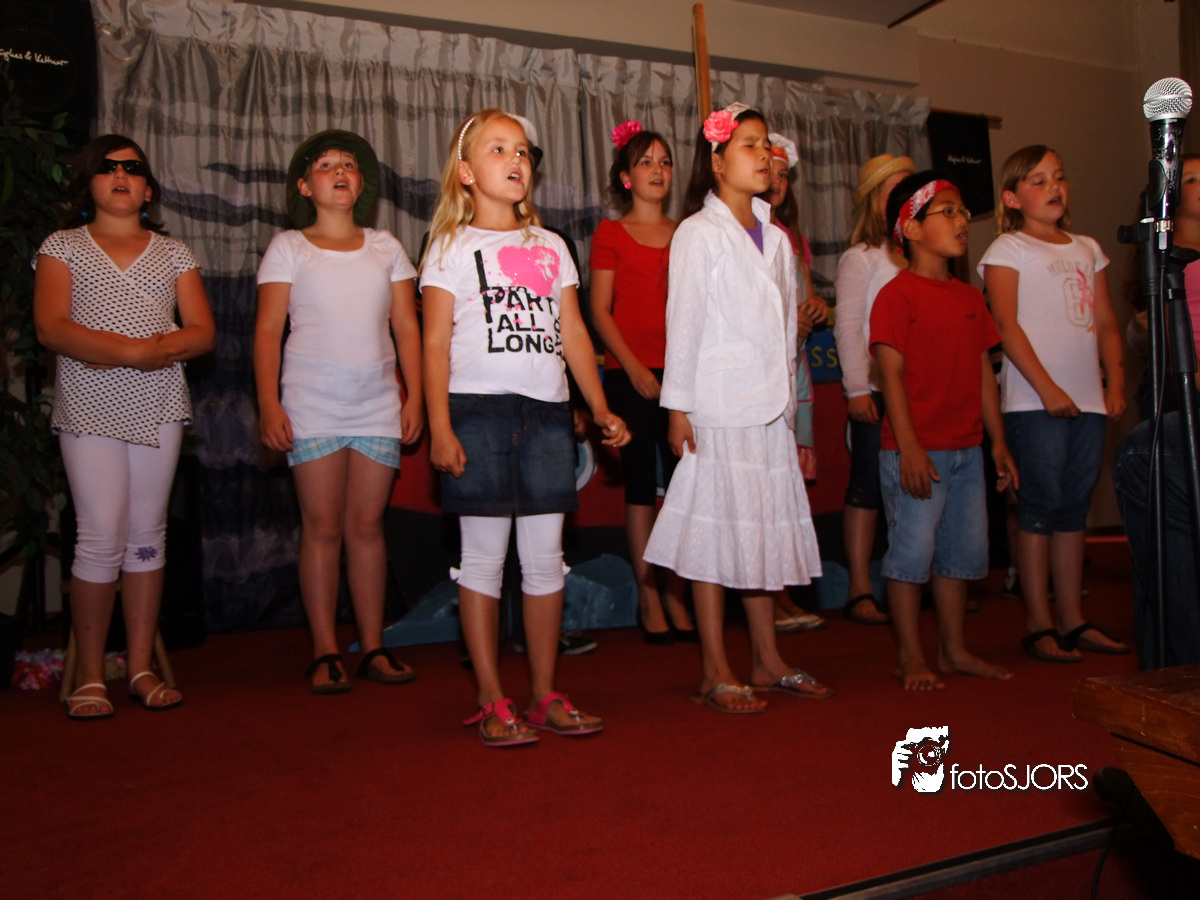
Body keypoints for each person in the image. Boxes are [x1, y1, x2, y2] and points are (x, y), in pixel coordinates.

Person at [420, 109, 629, 747]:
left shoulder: (552, 247)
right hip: (475, 413)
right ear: (465, 173)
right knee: (482, 563)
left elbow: (574, 333)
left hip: (545, 415)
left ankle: (544, 695)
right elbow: (434, 343)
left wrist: (599, 407)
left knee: (545, 562)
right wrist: (439, 426)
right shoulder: (450, 247)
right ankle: (491, 696)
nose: (515, 160)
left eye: (522, 151)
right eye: (497, 149)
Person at [644, 103, 832, 713]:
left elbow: (784, 329)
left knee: (762, 532)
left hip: (769, 408)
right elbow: (685, 323)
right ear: (719, 163)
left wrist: (787, 402)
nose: (764, 155)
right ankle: (714, 668)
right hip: (717, 407)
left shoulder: (776, 238)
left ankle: (768, 659)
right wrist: (678, 407)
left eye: (766, 145)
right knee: (714, 533)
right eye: (749, 144)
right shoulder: (698, 233)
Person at [33, 134, 216, 719]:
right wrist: (132, 352)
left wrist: (146, 354)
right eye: (107, 168)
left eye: (132, 169)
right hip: (89, 405)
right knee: (99, 535)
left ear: (148, 189)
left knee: (147, 534)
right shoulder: (63, 245)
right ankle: (90, 674)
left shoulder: (174, 252)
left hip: (159, 402)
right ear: (88, 182)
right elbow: (52, 327)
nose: (120, 177)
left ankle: (139, 667)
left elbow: (201, 332)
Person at [255, 130, 423, 694]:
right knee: (323, 528)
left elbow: (407, 328)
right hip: (311, 406)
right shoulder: (288, 248)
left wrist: (416, 397)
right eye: (326, 165)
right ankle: (325, 650)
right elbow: (267, 330)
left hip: (377, 405)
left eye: (348, 164)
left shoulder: (386, 247)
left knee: (367, 527)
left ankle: (373, 646)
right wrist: (269, 403)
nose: (340, 171)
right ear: (306, 187)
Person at [870, 171, 1018, 690]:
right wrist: (909, 447)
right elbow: (889, 375)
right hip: (917, 451)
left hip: (967, 450)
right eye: (948, 211)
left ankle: (953, 650)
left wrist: (997, 441)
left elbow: (983, 373)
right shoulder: (896, 295)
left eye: (962, 212)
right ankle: (910, 656)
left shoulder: (970, 298)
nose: (961, 221)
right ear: (910, 229)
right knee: (910, 557)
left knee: (961, 555)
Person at [980, 145, 1128, 663]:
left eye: (1059, 177)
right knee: (1038, 507)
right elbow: (1005, 325)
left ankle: (1071, 617)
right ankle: (1038, 621)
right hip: (1033, 401)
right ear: (1012, 198)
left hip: (1087, 400)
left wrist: (1114, 381)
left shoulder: (1087, 247)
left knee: (1074, 508)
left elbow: (1106, 322)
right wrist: (1047, 389)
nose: (1054, 188)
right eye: (1039, 181)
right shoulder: (1008, 248)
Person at [588, 120, 695, 645]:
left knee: (683, 487)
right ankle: (648, 594)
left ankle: (676, 592)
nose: (658, 170)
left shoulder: (690, 234)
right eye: (646, 162)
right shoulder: (610, 234)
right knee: (638, 487)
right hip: (629, 374)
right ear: (626, 177)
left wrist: (682, 377)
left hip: (684, 378)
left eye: (665, 161)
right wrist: (632, 368)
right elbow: (599, 310)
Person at [833, 153, 916, 626]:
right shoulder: (861, 257)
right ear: (873, 202)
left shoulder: (921, 257)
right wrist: (856, 388)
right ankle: (860, 587)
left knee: (919, 485)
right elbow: (848, 326)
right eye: (893, 191)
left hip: (920, 392)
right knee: (867, 484)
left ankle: (919, 578)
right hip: (877, 391)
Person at [762, 132, 827, 633]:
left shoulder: (792, 237)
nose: (778, 182)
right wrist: (789, 324)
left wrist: (815, 308)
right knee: (768, 494)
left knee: (788, 495)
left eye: (785, 176)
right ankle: (770, 596)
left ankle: (783, 593)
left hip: (796, 373)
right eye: (771, 171)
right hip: (767, 374)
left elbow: (802, 297)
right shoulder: (753, 236)